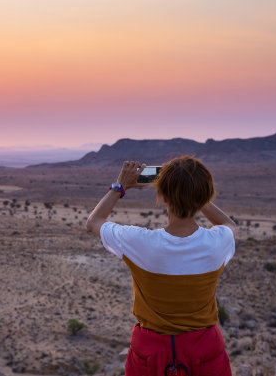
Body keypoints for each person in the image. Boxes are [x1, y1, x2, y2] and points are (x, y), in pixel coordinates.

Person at [86, 156, 235, 376]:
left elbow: (94, 221)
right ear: (204, 196)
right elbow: (228, 224)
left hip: (150, 354)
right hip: (205, 351)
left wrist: (120, 186)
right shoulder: (217, 243)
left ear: (163, 197)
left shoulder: (141, 243)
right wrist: (193, 192)